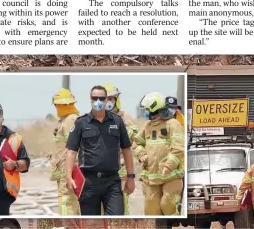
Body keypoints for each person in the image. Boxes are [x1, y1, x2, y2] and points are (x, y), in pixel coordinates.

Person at [65, 85, 135, 216]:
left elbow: (126, 149)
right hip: (88, 182)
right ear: (90, 100)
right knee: (91, 223)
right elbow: (71, 151)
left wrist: (131, 177)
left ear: (106, 100)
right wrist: (69, 177)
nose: (98, 101)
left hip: (112, 182)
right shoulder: (81, 123)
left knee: (116, 220)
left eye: (101, 98)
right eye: (95, 98)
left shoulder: (117, 121)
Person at [135, 91, 186, 216]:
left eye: (147, 109)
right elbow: (136, 143)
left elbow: (178, 148)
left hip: (171, 176)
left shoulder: (173, 124)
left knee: (168, 204)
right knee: (151, 209)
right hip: (151, 177)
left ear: (154, 109)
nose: (145, 112)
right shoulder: (147, 126)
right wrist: (142, 155)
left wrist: (168, 166)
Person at [102, 83, 141, 216]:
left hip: (121, 170)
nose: (108, 102)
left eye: (111, 99)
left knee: (120, 205)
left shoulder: (125, 118)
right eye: (105, 99)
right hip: (100, 171)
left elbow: (136, 141)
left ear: (116, 100)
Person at [49, 88, 80, 216]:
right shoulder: (65, 120)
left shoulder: (71, 120)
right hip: (64, 172)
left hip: (68, 173)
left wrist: (69, 174)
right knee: (69, 204)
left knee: (67, 205)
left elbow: (74, 148)